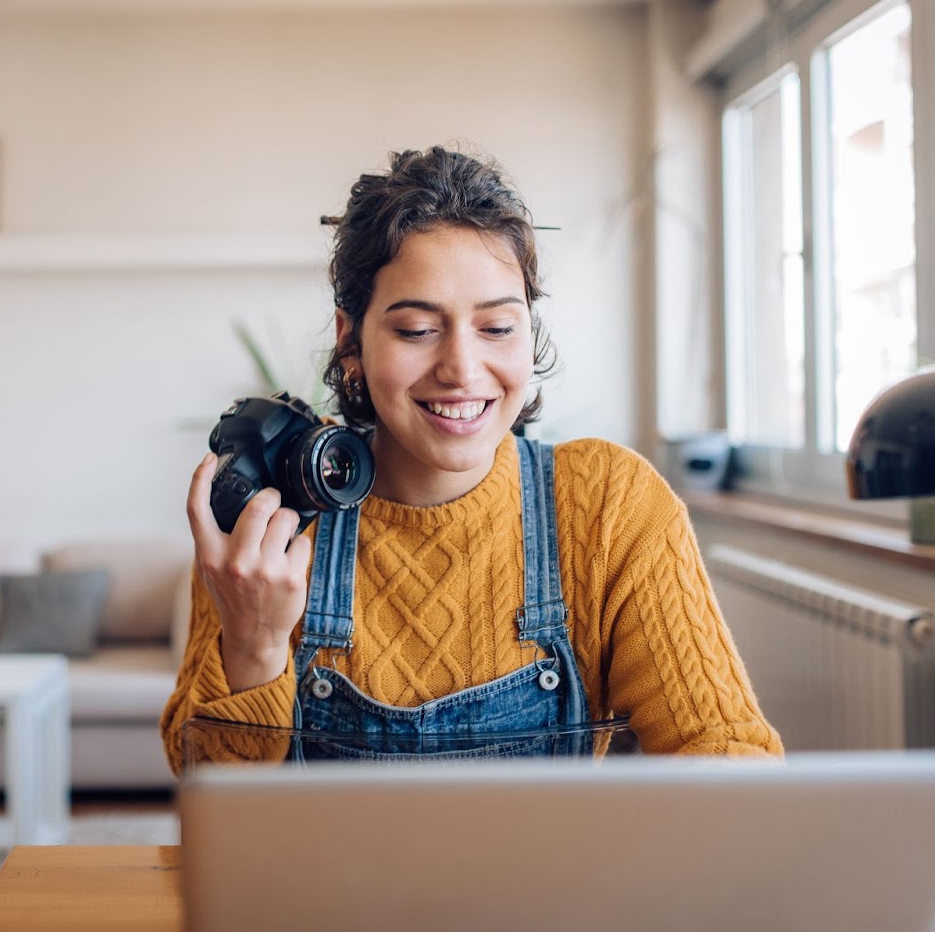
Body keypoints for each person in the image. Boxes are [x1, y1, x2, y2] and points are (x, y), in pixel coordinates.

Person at [162, 146, 781, 774]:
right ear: (351, 340)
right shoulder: (277, 510)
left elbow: (730, 763)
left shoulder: (610, 506)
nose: (461, 370)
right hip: (328, 878)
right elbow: (216, 811)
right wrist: (256, 645)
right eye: (416, 329)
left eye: (497, 327)